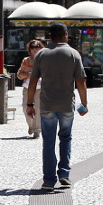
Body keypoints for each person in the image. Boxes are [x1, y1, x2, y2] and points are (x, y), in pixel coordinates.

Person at [26, 22, 89, 190]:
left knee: (48, 141)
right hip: (66, 104)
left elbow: (32, 82)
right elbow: (81, 81)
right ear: (65, 35)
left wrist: (30, 103)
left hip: (47, 104)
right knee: (66, 138)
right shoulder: (73, 54)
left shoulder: (41, 55)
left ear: (49, 36)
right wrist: (84, 103)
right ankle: (64, 174)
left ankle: (48, 180)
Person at [16, 38, 45, 139]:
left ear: (41, 48)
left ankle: (37, 130)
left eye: (37, 47)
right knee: (25, 107)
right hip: (27, 87)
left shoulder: (45, 60)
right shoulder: (26, 61)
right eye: (32, 47)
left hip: (40, 87)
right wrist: (29, 74)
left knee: (38, 107)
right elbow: (19, 74)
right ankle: (31, 126)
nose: (34, 49)